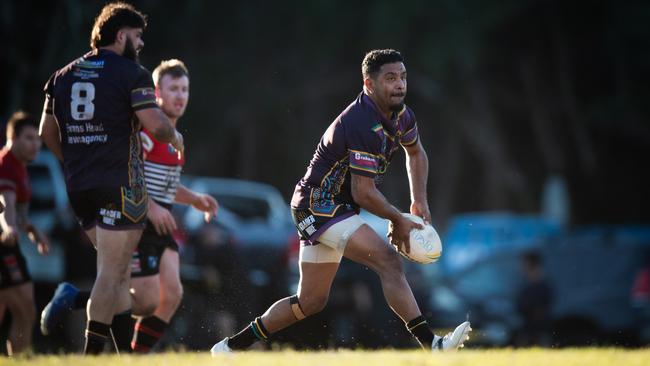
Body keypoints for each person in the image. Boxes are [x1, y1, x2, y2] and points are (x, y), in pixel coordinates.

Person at [211, 49, 471, 354]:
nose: (400, 84)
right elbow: (363, 192)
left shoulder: (402, 115)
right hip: (317, 204)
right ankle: (433, 344)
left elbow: (415, 152)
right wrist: (397, 219)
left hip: (336, 207)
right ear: (369, 84)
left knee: (310, 302)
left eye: (402, 77)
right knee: (388, 260)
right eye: (390, 78)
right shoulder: (362, 122)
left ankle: (229, 347)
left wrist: (419, 201)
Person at [40, 59, 218, 353]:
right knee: (146, 301)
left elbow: (165, 187)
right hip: (137, 222)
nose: (180, 96)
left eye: (184, 89)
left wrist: (195, 199)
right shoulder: (147, 134)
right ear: (156, 93)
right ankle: (74, 298)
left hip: (161, 227)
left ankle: (135, 356)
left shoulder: (174, 140)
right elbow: (128, 180)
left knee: (171, 294)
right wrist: (152, 208)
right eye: (173, 89)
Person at [38, 2, 183, 354]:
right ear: (121, 36)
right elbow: (157, 126)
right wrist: (173, 136)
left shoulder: (61, 76)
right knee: (111, 272)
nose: (141, 44)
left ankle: (122, 358)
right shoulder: (132, 74)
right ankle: (92, 358)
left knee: (117, 274)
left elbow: (46, 132)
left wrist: (72, 160)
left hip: (79, 186)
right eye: (137, 37)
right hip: (118, 186)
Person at [0, 111, 50, 355]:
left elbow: (18, 213)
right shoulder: (7, 164)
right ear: (14, 138)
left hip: (7, 242)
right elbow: (5, 204)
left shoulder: (19, 167)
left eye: (38, 139)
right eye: (30, 138)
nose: (36, 144)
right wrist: (8, 227)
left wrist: (33, 231)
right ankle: (20, 360)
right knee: (26, 311)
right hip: (4, 246)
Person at [515, 251, 553, 347]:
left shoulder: (540, 282)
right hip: (528, 324)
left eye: (524, 263)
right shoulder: (527, 281)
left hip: (538, 326)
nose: (521, 266)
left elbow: (542, 304)